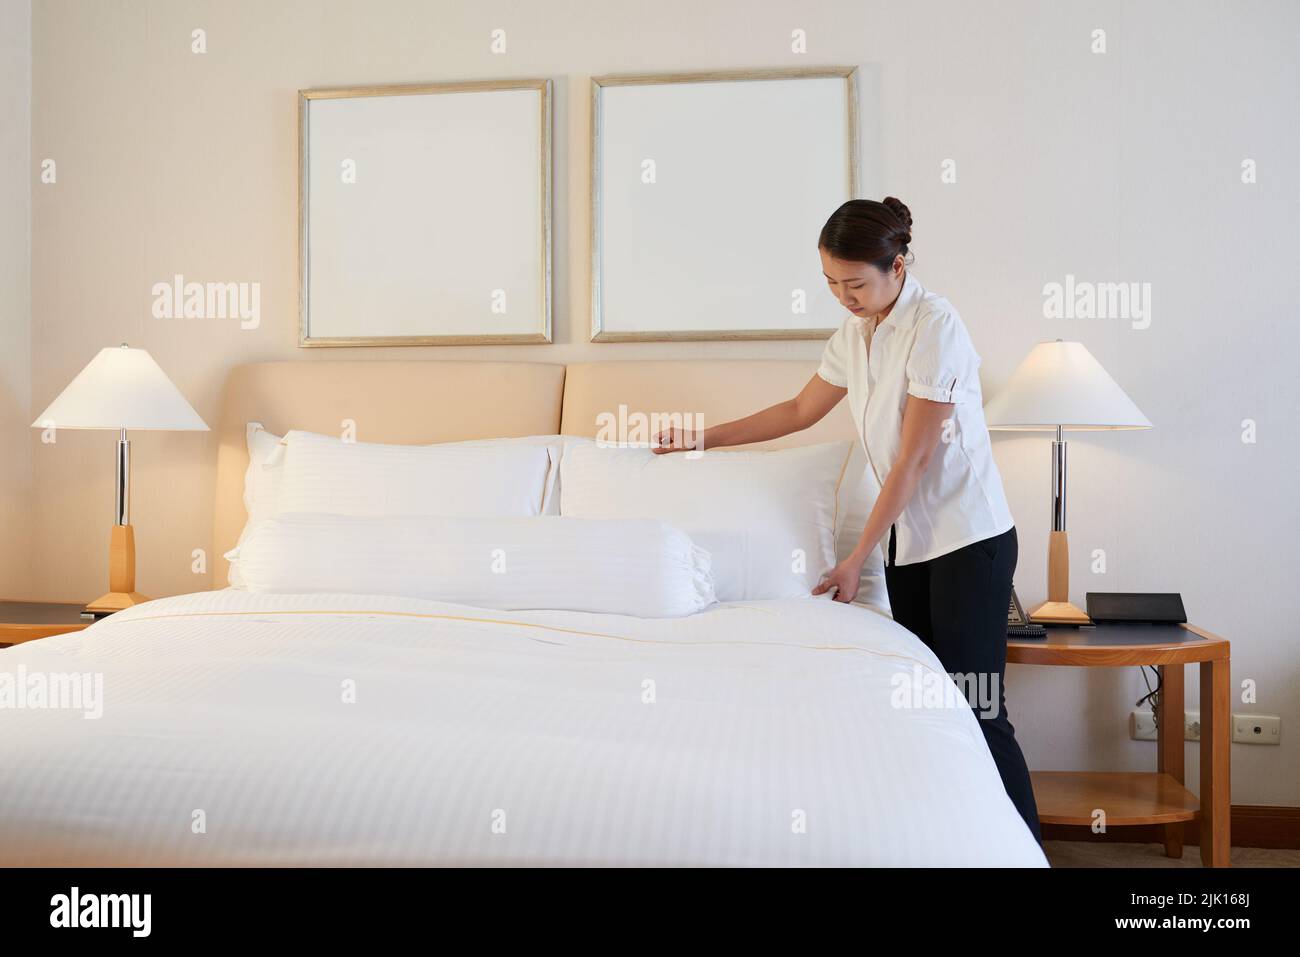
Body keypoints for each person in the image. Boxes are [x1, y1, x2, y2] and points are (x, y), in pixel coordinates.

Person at [653, 197, 1042, 842]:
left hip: (968, 541)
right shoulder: (856, 332)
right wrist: (704, 438)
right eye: (831, 283)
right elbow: (799, 410)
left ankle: (1026, 849)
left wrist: (856, 558)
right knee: (928, 703)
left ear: (898, 265)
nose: (843, 296)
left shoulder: (935, 326)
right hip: (911, 542)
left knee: (976, 706)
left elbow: (913, 462)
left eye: (855, 283)